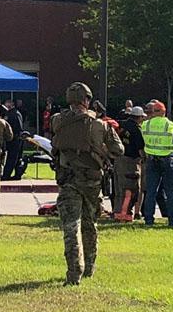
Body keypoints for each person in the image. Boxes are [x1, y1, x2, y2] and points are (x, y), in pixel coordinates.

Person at [50, 82, 123, 285]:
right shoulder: (100, 125)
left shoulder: (57, 121)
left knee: (71, 226)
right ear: (87, 100)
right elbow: (118, 149)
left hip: (68, 179)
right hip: (92, 180)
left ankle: (74, 272)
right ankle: (90, 266)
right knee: (90, 223)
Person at [140, 99, 173, 227]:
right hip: (167, 159)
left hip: (151, 159)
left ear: (153, 112)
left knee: (151, 191)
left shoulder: (145, 124)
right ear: (164, 112)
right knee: (170, 191)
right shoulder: (170, 125)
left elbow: (143, 139)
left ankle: (148, 220)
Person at [113, 106, 145, 222]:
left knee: (118, 188)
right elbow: (141, 149)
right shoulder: (136, 129)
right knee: (130, 188)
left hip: (118, 159)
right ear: (139, 117)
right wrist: (144, 159)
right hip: (131, 161)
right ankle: (125, 214)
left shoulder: (121, 124)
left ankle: (117, 213)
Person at [1, 99, 26, 180]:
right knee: (15, 157)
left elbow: (18, 127)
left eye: (6, 103)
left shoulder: (15, 113)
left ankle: (7, 175)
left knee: (12, 157)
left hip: (15, 139)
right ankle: (16, 174)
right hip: (12, 139)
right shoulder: (10, 113)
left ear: (10, 104)